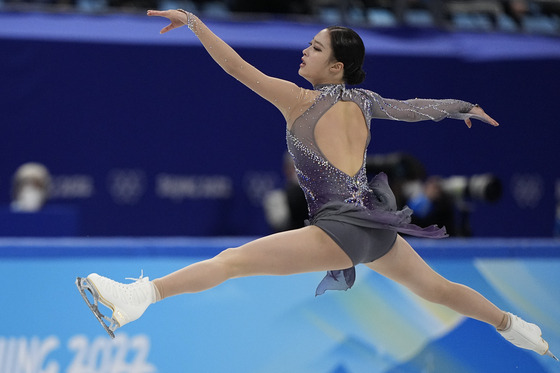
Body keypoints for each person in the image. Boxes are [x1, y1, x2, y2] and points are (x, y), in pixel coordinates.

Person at [76, 9, 557, 361]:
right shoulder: (365, 101)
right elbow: (414, 107)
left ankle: (140, 297)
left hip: (343, 229)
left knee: (232, 262)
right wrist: (461, 106)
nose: (305, 50)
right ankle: (516, 326)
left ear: (336, 68)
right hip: (376, 225)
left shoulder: (299, 101)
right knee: (440, 289)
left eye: (317, 47)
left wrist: (196, 23)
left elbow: (237, 70)